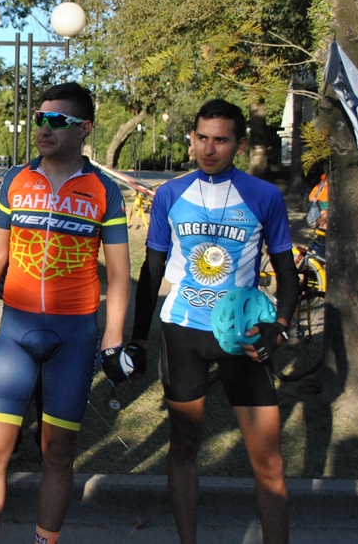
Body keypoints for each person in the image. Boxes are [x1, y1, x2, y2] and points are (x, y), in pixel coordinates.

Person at [0, 82, 131, 544]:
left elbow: (119, 273)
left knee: (58, 454)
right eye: (40, 119)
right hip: (16, 330)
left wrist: (113, 339)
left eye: (57, 121)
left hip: (74, 337)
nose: (44, 128)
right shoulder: (17, 179)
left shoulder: (104, 190)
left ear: (84, 129)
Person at [128, 98, 297, 544]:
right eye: (201, 138)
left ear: (239, 145)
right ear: (192, 139)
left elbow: (287, 272)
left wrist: (279, 326)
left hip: (241, 336)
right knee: (185, 448)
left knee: (269, 462)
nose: (208, 148)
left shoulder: (263, 196)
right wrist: (137, 340)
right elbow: (152, 270)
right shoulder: (170, 195)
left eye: (220, 140)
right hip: (182, 332)